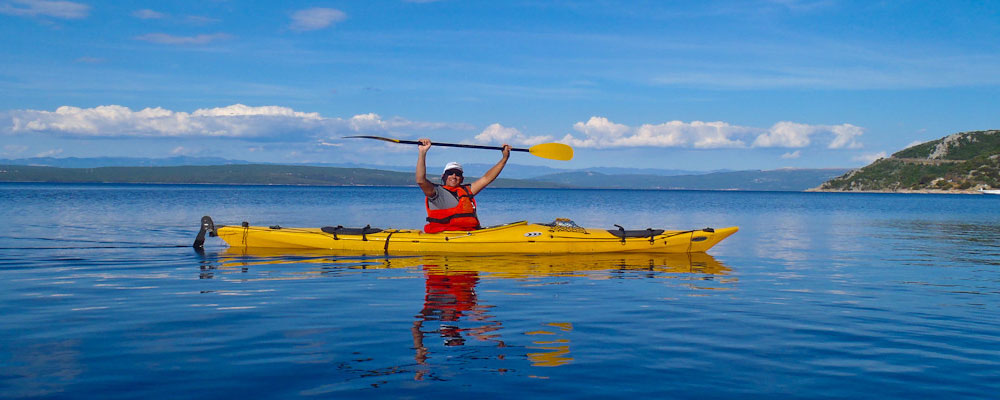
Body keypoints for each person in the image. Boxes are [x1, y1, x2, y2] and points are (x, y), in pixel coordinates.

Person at [416, 138, 511, 233]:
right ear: (443, 176)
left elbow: (487, 178)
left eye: (457, 174)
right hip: (446, 236)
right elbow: (420, 180)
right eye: (450, 173)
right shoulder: (435, 192)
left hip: (469, 234)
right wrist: (422, 152)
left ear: (462, 178)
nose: (454, 176)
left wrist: (504, 158)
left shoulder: (467, 190)